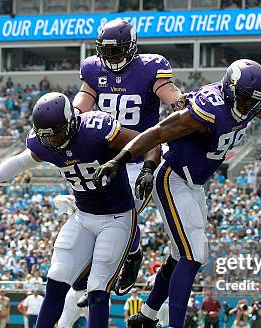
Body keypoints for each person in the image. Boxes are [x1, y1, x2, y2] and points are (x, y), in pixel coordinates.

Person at [93, 58, 261, 328]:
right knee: (194, 254)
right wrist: (120, 159)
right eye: (242, 99)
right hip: (172, 177)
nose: (247, 106)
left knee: (179, 257)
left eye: (251, 100)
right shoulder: (208, 109)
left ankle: (145, 317)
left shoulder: (250, 101)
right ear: (230, 91)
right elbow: (158, 132)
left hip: (193, 184)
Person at [0, 92, 160, 328]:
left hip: (117, 217)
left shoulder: (98, 129)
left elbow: (149, 139)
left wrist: (147, 169)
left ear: (72, 121)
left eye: (58, 132)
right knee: (55, 282)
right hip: (83, 215)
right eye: (47, 135)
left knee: (96, 290)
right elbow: (22, 161)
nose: (54, 140)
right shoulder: (45, 141)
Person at [70, 18, 184, 296]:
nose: (111, 58)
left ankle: (128, 258)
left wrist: (183, 103)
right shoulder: (93, 69)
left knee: (122, 209)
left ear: (132, 47)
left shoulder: (150, 67)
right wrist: (69, 116)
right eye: (106, 52)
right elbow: (83, 102)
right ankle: (125, 255)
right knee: (97, 208)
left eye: (117, 51)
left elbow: (170, 95)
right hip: (106, 152)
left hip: (142, 151)